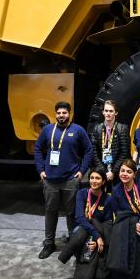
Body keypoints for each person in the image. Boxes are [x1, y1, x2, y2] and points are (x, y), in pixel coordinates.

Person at [33, 101, 92, 259]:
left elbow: (88, 150)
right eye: (58, 113)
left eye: (64, 113)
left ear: (69, 114)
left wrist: (81, 172)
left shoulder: (78, 130)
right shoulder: (47, 130)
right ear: (55, 114)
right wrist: (41, 170)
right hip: (50, 180)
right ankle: (49, 244)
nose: (61, 115)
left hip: (70, 180)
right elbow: (38, 149)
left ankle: (73, 244)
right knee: (50, 212)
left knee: (72, 214)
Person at [106, 158, 140, 279]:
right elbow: (117, 213)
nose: (124, 174)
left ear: (135, 174)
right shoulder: (116, 190)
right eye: (122, 171)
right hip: (125, 225)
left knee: (135, 233)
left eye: (129, 171)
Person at [58, 165, 112, 274]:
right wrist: (96, 236)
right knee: (81, 232)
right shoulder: (82, 193)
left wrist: (96, 238)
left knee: (92, 241)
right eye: (92, 178)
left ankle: (68, 254)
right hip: (82, 228)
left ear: (103, 181)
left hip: (98, 229)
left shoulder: (108, 199)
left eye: (97, 178)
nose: (94, 181)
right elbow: (80, 218)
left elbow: (106, 223)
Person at [89, 100, 130, 184]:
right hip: (102, 171)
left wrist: (113, 171)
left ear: (116, 113)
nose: (108, 113)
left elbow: (124, 152)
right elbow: (94, 151)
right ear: (103, 112)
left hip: (118, 171)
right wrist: (103, 170)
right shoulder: (97, 129)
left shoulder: (122, 128)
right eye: (106, 111)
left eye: (111, 111)